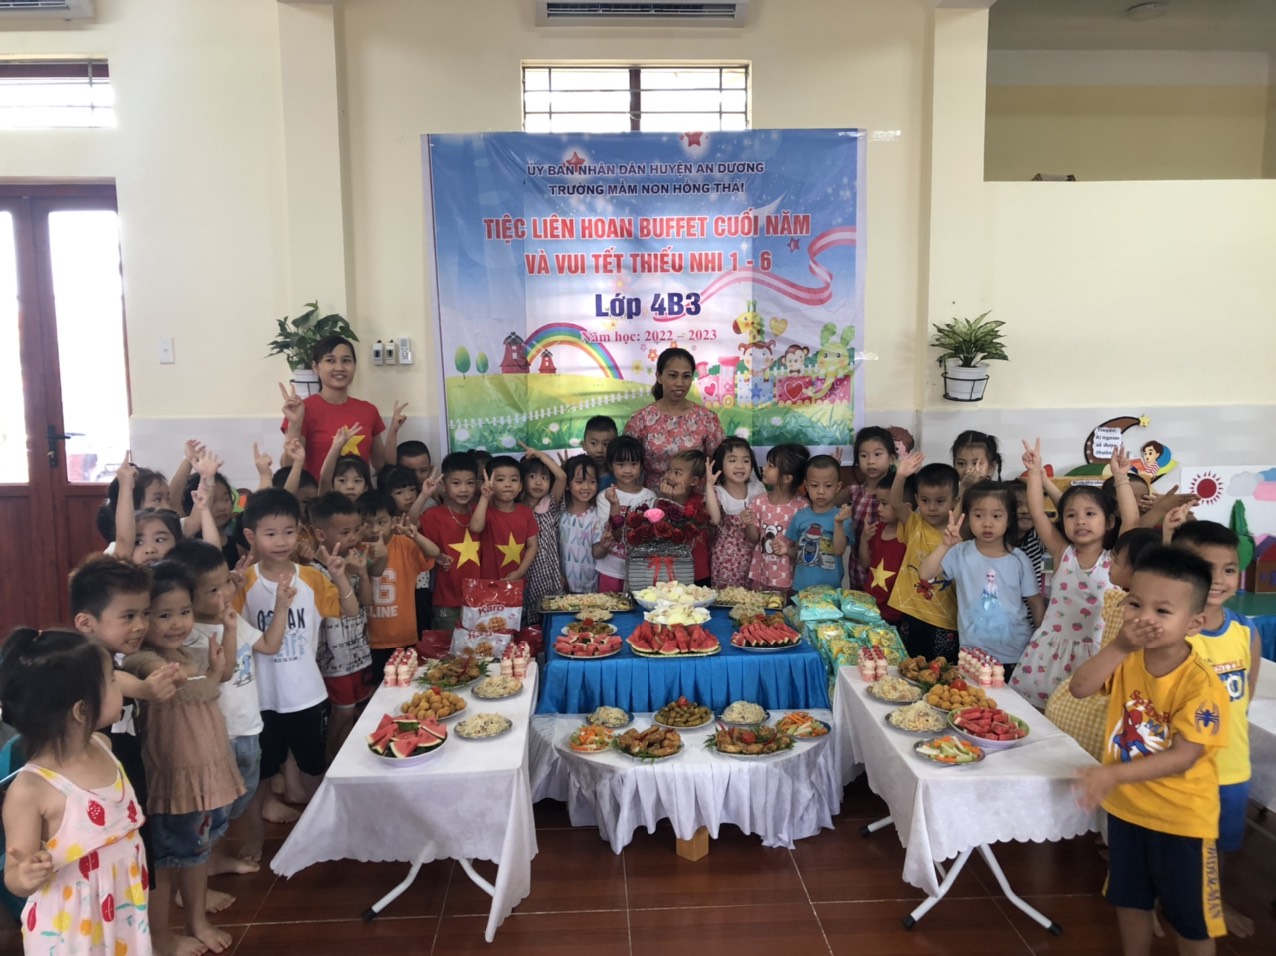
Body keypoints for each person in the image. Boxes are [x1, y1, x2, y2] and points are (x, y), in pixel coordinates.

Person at [1071, 546, 1230, 956]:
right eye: (1135, 604)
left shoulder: (1201, 684)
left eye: (1162, 611)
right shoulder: (1127, 659)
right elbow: (1080, 687)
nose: (1144, 618)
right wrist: (1119, 647)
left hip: (1182, 821)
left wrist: (1110, 774)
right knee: (1130, 901)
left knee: (1191, 920)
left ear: (1194, 623)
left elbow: (1185, 756)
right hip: (1128, 811)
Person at [0, 628, 151, 956]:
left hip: (123, 913)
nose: (120, 685)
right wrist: (25, 875)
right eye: (112, 680)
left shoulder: (104, 745)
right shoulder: (31, 790)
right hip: (71, 932)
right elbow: (13, 874)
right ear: (81, 711)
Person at [125, 562, 244, 955]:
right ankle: (160, 934)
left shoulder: (185, 655)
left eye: (184, 612)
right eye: (163, 615)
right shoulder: (143, 661)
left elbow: (218, 678)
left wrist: (228, 633)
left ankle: (196, 920)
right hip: (174, 779)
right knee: (164, 860)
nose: (177, 623)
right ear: (144, 618)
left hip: (204, 774)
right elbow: (180, 684)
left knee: (196, 852)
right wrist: (197, 675)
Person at [233, 489, 358, 830]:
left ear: (299, 531)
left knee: (314, 765)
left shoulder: (312, 578)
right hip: (261, 698)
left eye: (288, 532)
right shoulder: (244, 582)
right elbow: (229, 632)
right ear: (251, 536)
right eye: (270, 533)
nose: (281, 541)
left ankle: (325, 826)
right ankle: (256, 835)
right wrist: (229, 591)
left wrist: (339, 575)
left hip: (307, 694)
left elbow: (350, 610)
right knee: (263, 771)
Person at [167, 537, 292, 875]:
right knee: (216, 807)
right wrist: (229, 628)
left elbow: (269, 645)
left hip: (248, 727)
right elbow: (222, 674)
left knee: (240, 797)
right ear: (185, 597)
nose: (225, 592)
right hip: (218, 737)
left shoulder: (230, 618)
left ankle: (218, 857)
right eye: (213, 589)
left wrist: (281, 606)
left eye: (226, 581)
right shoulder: (189, 636)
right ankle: (206, 866)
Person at [1171, 520, 1262, 939]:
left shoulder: (1246, 631)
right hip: (1181, 767)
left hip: (1231, 766)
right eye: (1207, 569)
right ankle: (1156, 899)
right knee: (1174, 841)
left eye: (1229, 569)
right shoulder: (1173, 634)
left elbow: (1244, 698)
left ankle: (1215, 900)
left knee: (1221, 844)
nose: (1221, 580)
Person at [70, 555, 182, 882]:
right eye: (128, 616)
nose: (140, 625)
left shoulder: (114, 657)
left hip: (127, 779)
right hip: (104, 792)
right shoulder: (82, 664)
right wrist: (144, 689)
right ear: (86, 623)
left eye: (145, 613)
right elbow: (110, 678)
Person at [1011, 441, 1139, 707]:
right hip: (1049, 654)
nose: (1080, 521)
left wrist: (1121, 477)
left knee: (1078, 715)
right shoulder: (1063, 552)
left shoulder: (1115, 560)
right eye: (1071, 515)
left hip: (1092, 654)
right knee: (1035, 714)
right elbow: (1037, 512)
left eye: (1090, 514)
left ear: (1109, 521)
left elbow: (1132, 521)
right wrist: (1034, 473)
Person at [1046, 528, 1161, 760]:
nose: (1109, 565)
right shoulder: (1117, 600)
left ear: (1139, 571)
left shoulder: (1137, 614)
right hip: (1099, 682)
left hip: (1117, 694)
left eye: (1116, 562)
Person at [918, 482, 1044, 674]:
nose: (987, 523)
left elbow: (1036, 603)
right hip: (972, 656)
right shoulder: (960, 552)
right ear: (967, 517)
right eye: (978, 515)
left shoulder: (1019, 559)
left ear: (1009, 519)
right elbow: (925, 574)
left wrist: (1040, 643)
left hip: (1016, 653)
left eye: (996, 516)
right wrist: (945, 545)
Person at [311, 492, 376, 760]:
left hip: (359, 650)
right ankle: (331, 763)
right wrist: (344, 575)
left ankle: (351, 762)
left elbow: (366, 603)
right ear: (321, 534)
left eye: (356, 530)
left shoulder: (355, 558)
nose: (353, 537)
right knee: (343, 711)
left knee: (359, 709)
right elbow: (336, 610)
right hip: (334, 659)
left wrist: (362, 573)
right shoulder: (313, 571)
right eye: (345, 532)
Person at [280, 335, 398, 479]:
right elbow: (287, 469)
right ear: (315, 367)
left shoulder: (369, 410)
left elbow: (380, 464)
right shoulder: (302, 410)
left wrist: (394, 429)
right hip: (319, 493)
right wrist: (295, 425)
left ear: (355, 365)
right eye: (330, 360)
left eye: (346, 361)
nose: (339, 368)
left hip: (361, 493)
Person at [886, 453, 962, 659]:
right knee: (908, 667)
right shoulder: (914, 523)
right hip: (911, 612)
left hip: (944, 620)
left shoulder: (958, 536)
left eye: (940, 501)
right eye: (925, 500)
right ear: (917, 499)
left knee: (941, 670)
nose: (932, 507)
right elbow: (895, 503)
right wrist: (900, 475)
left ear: (954, 501)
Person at [623, 347, 725, 491]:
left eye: (686, 376)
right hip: (652, 500)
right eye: (673, 375)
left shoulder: (707, 419)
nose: (680, 383)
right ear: (659, 376)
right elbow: (625, 464)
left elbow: (718, 464)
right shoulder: (640, 420)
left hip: (696, 500)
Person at [360, 488, 436, 672]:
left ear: (393, 521)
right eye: (366, 523)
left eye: (381, 522)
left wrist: (415, 535)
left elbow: (434, 552)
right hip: (369, 638)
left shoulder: (405, 545)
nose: (374, 529)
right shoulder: (355, 549)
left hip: (403, 635)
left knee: (404, 680)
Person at [417, 452, 482, 631]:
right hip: (446, 598)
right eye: (456, 483)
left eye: (470, 483)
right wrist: (424, 495)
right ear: (444, 485)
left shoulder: (481, 511)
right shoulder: (434, 515)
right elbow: (408, 525)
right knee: (447, 645)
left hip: (481, 598)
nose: (464, 489)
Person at [775, 454, 854, 592]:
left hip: (830, 591)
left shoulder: (843, 517)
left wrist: (838, 523)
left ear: (838, 487)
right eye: (815, 485)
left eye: (828, 486)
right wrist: (787, 550)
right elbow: (799, 551)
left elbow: (839, 551)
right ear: (806, 486)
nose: (821, 491)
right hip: (801, 589)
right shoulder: (800, 516)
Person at [836, 426, 898, 590]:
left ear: (891, 458)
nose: (870, 461)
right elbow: (829, 501)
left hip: (887, 567)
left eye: (877, 454)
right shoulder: (854, 490)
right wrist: (834, 469)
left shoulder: (897, 493)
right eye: (864, 455)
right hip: (857, 565)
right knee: (857, 601)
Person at [744, 443, 809, 594]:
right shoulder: (759, 501)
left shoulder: (802, 507)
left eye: (771, 466)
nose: (764, 468)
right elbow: (754, 539)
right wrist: (749, 523)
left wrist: (787, 550)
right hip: (761, 573)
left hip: (789, 577)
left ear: (787, 478)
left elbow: (803, 549)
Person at [595, 436, 656, 592]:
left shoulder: (650, 496)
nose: (627, 470)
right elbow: (613, 534)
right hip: (611, 570)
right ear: (611, 465)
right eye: (621, 464)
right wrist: (615, 504)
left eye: (633, 464)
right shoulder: (605, 497)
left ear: (641, 466)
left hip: (641, 571)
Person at [704, 437, 765, 590]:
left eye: (746, 461)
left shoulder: (758, 489)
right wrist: (709, 485)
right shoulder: (718, 492)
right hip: (726, 559)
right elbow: (714, 519)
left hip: (755, 556)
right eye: (732, 460)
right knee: (729, 598)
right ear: (720, 464)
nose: (740, 466)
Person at [518, 444, 567, 623]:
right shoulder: (515, 508)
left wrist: (540, 455)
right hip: (523, 572)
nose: (539, 483)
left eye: (545, 477)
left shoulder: (549, 504)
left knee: (550, 618)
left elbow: (562, 477)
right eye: (532, 476)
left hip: (548, 573)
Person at [470, 456, 539, 582]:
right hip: (488, 583)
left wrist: (520, 572)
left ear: (520, 486)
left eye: (513, 480)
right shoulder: (483, 510)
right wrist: (485, 497)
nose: (508, 484)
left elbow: (532, 546)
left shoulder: (526, 512)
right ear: (489, 483)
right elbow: (475, 527)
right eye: (500, 479)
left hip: (517, 582)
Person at [654, 449, 711, 585]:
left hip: (697, 570)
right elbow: (660, 535)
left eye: (677, 473)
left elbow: (688, 531)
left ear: (694, 481)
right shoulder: (661, 503)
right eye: (668, 470)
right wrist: (667, 500)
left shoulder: (701, 503)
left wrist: (678, 502)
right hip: (669, 570)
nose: (669, 476)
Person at [860, 486, 905, 623]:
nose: (879, 508)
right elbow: (866, 564)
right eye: (878, 502)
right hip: (870, 607)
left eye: (884, 503)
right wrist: (864, 540)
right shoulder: (877, 529)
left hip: (893, 613)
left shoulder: (909, 536)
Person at [561, 455, 604, 594]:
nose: (586, 487)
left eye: (592, 481)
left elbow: (597, 552)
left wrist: (605, 544)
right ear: (567, 485)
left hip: (589, 587)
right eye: (579, 481)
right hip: (562, 584)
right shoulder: (559, 514)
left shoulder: (596, 516)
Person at [951, 429, 1003, 494]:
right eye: (961, 463)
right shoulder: (950, 494)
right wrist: (963, 488)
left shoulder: (997, 495)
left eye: (975, 463)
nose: (968, 470)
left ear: (991, 467)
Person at [582, 415, 618, 491]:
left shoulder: (621, 475)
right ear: (584, 445)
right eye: (593, 443)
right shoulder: (577, 475)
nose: (600, 450)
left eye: (606, 444)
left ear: (616, 445)